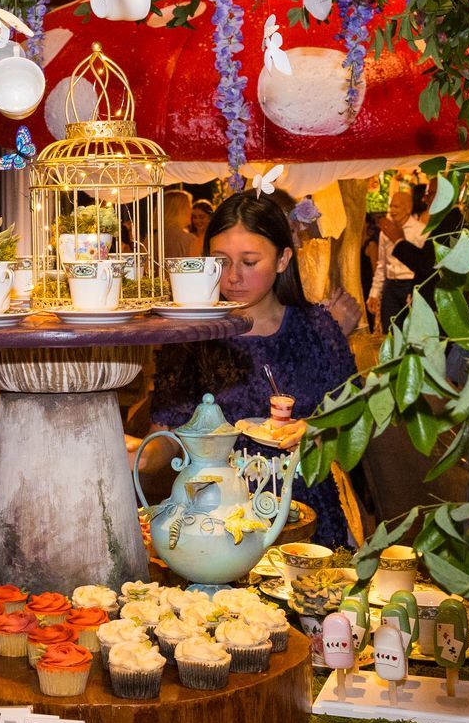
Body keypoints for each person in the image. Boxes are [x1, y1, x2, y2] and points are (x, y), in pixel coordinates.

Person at [145, 192, 361, 548]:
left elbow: (352, 427)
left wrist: (317, 430)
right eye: (220, 262)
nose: (233, 278)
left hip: (306, 520)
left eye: (249, 262)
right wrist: (138, 456)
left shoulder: (317, 330)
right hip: (215, 525)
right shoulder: (191, 338)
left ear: (282, 259)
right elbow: (168, 440)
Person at [369, 180, 433, 331]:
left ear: (408, 208)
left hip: (410, 286)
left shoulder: (421, 231)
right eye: (391, 206)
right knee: (390, 331)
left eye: (396, 206)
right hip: (391, 287)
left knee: (412, 330)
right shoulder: (386, 231)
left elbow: (424, 264)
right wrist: (374, 292)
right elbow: (381, 265)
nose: (392, 210)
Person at [162, 188, 201, 257]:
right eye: (189, 206)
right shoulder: (189, 240)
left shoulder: (150, 239)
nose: (191, 211)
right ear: (182, 210)